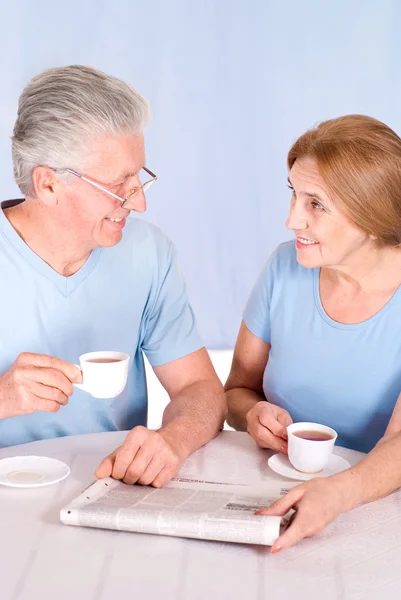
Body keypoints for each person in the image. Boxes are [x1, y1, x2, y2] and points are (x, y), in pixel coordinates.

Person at [0, 65, 226, 488]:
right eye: (120, 183)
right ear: (48, 184)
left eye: (140, 177)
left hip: (111, 491)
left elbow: (200, 388)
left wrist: (173, 440)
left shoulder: (149, 253)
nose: (138, 201)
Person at [225, 114, 401, 551]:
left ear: (374, 217)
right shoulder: (284, 268)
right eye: (294, 196)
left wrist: (337, 494)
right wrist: (251, 415)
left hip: (375, 512)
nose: (292, 221)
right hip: (271, 493)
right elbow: (236, 391)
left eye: (315, 204)